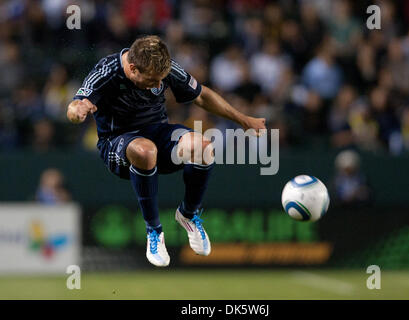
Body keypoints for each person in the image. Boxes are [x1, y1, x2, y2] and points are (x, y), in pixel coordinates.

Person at [66, 35, 266, 267]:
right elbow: (76, 104)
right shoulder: (107, 72)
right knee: (145, 150)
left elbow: (200, 95)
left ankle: (188, 215)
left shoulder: (164, 67)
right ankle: (154, 231)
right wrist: (78, 111)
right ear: (132, 68)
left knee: (203, 146)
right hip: (118, 143)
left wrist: (242, 119)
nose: (157, 86)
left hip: (159, 133)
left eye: (160, 81)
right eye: (152, 81)